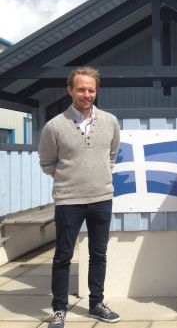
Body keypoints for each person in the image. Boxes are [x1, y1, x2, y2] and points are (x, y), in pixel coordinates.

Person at [39, 66, 121, 328]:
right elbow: (47, 162)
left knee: (99, 254)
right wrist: (71, 180)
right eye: (81, 89)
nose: (86, 94)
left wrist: (96, 176)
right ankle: (59, 310)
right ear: (70, 90)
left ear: (96, 91)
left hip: (101, 198)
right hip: (68, 201)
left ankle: (96, 303)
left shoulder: (110, 121)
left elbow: (111, 155)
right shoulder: (54, 126)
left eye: (91, 89)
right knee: (63, 256)